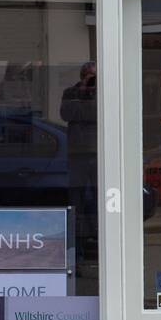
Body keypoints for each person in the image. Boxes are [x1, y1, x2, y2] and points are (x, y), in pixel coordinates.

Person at [60, 62, 98, 245]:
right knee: (76, 198)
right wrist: (82, 90)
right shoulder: (71, 93)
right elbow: (67, 114)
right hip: (77, 154)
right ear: (82, 76)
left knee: (100, 197)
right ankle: (77, 244)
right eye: (89, 76)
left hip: (99, 152)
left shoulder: (104, 92)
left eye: (94, 76)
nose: (92, 80)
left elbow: (97, 114)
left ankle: (99, 239)